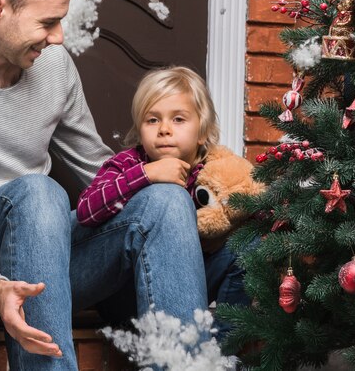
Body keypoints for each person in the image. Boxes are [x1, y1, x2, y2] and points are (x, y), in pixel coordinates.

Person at [0, 0, 208, 369]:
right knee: (38, 191)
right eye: (48, 22)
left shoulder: (53, 68)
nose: (59, 36)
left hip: (48, 265)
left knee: (165, 202)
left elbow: (99, 172)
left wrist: (170, 180)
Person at [77, 67, 251, 338]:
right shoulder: (128, 163)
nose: (165, 130)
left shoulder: (212, 170)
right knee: (170, 199)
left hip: (188, 287)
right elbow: (86, 211)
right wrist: (145, 176)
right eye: (152, 120)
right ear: (139, 129)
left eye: (179, 119)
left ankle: (223, 346)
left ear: (202, 132)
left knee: (249, 243)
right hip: (127, 294)